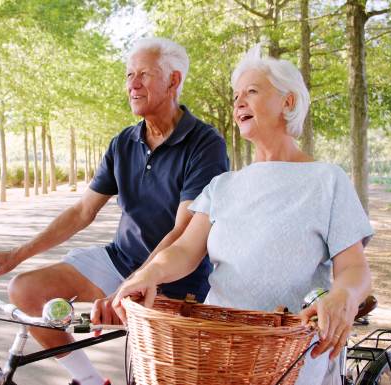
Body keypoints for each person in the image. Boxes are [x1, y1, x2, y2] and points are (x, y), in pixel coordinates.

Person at [112, 44, 374, 385]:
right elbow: (185, 251)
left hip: (292, 354)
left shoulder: (327, 180)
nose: (238, 103)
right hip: (219, 347)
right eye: (236, 95)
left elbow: (354, 268)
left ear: (288, 102)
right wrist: (148, 274)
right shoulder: (223, 185)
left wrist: (344, 296)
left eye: (251, 91)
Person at [0, 37, 228, 385]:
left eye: (144, 74)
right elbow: (82, 212)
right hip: (119, 258)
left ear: (174, 81)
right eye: (128, 75)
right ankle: (90, 381)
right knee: (25, 291)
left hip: (173, 276)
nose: (132, 84)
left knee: (151, 371)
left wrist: (133, 284)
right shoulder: (123, 142)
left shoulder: (205, 143)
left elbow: (182, 231)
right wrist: (14, 257)